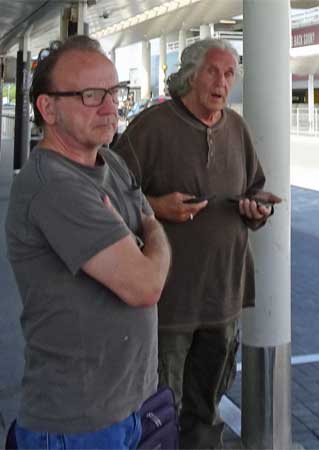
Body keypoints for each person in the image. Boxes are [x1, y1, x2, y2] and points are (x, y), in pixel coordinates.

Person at [5, 35, 171, 449]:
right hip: (77, 423)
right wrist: (150, 230)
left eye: (114, 91)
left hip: (129, 405)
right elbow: (145, 285)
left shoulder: (108, 160)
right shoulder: (52, 186)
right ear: (48, 108)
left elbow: (147, 222)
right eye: (91, 94)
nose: (111, 106)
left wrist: (146, 231)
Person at [114, 38, 280, 449]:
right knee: (158, 410)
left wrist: (257, 210)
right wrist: (154, 208)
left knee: (207, 410)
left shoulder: (236, 129)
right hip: (168, 302)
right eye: (213, 71)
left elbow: (255, 189)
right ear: (190, 74)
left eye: (229, 74)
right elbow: (108, 195)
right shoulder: (151, 128)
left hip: (223, 300)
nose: (222, 82)